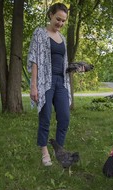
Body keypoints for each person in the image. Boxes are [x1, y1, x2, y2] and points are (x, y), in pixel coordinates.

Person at [27, 3, 77, 166]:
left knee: (64, 118)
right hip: (45, 82)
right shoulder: (40, 33)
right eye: (58, 19)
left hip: (61, 82)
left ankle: (59, 150)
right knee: (46, 117)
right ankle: (44, 152)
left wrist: (77, 68)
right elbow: (34, 59)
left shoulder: (62, 38)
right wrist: (33, 85)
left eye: (63, 21)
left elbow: (64, 63)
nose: (60, 24)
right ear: (50, 15)